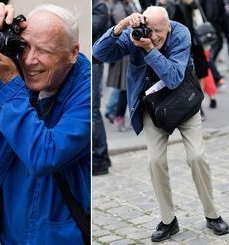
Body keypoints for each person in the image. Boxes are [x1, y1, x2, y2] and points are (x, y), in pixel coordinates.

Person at [0, 3, 90, 244]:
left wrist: (11, 83)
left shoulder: (86, 93)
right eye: (24, 46)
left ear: (73, 52)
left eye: (44, 50)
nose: (29, 60)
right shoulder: (16, 70)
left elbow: (44, 155)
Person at [93, 6, 229, 242]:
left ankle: (212, 215)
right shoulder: (136, 33)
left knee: (197, 156)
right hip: (153, 107)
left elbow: (174, 77)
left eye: (159, 31)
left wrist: (149, 50)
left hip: (183, 102)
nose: (153, 36)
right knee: (155, 161)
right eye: (150, 30)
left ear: (169, 26)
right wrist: (121, 26)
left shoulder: (180, 33)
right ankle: (168, 221)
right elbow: (100, 54)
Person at [92, 0, 111, 176]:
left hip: (94, 62)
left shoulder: (99, 6)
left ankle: (99, 159)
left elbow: (89, 28)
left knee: (93, 111)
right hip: (88, 61)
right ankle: (102, 156)